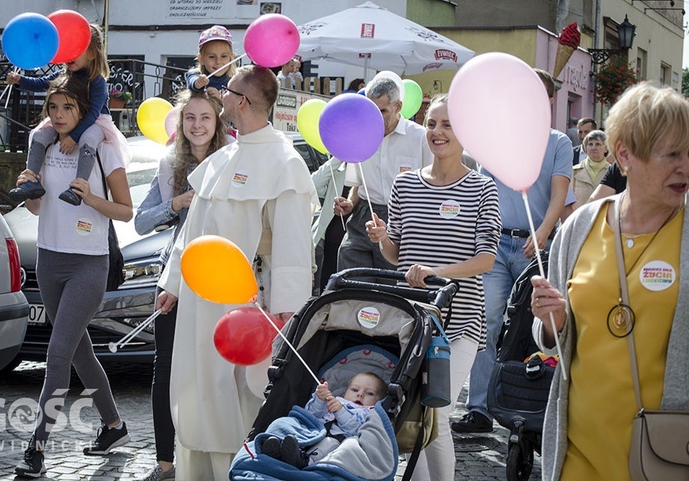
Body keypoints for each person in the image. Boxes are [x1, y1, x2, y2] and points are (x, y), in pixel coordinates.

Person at [155, 65, 317, 481]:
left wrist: (286, 311)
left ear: (241, 102)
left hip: (248, 305)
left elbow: (293, 247)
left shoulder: (285, 162)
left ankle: (241, 472)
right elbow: (193, 230)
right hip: (198, 302)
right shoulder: (223, 157)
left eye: (226, 91)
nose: (219, 94)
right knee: (196, 387)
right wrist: (173, 283)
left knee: (240, 393)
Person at [530, 81, 689, 480]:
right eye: (672, 154)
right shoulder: (581, 225)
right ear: (625, 154)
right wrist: (551, 323)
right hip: (578, 452)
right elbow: (552, 336)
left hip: (666, 456)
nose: (684, 166)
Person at [366, 94, 501, 480]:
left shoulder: (482, 189)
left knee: (435, 410)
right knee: (413, 412)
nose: (437, 133)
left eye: (447, 125)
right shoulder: (405, 184)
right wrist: (381, 239)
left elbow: (486, 260)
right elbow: (398, 255)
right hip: (410, 319)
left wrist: (435, 271)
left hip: (458, 324)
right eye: (431, 124)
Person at [13, 76, 133, 478]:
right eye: (53, 107)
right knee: (80, 351)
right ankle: (114, 426)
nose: (59, 115)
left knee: (58, 354)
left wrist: (89, 196)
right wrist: (30, 190)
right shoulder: (43, 147)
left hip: (88, 264)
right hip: (49, 261)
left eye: (68, 108)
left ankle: (37, 447)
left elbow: (126, 212)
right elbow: (36, 211)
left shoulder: (103, 149)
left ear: (83, 111)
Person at [453, 69, 571, 435]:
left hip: (533, 247)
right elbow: (480, 189)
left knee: (532, 329)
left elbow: (559, 192)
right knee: (485, 323)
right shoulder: (497, 137)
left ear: (548, 100)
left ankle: (531, 403)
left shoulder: (558, 142)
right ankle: (479, 409)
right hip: (495, 245)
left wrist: (544, 232)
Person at [134, 90, 231, 481]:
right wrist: (177, 203)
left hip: (219, 277)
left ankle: (211, 459)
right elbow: (141, 222)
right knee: (166, 368)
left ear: (217, 122)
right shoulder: (169, 165)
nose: (197, 126)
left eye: (205, 118)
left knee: (213, 370)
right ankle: (164, 464)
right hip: (174, 277)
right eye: (190, 118)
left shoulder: (231, 162)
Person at [7, 24, 114, 206]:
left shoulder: (96, 81)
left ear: (92, 53)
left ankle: (77, 189)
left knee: (89, 137)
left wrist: (73, 137)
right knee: (40, 135)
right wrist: (20, 80)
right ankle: (31, 180)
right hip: (67, 119)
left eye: (77, 49)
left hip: (94, 122)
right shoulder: (65, 74)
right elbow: (42, 83)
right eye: (68, 48)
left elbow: (94, 112)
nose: (71, 54)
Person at [334, 76, 432, 272]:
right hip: (362, 220)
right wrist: (349, 204)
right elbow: (357, 186)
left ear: (398, 106)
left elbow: (433, 187)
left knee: (391, 293)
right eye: (372, 110)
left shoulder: (420, 138)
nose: (377, 117)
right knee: (352, 287)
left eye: (383, 111)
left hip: (403, 223)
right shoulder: (360, 136)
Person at [259, 373, 387, 468]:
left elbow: (358, 431)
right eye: (355, 390)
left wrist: (341, 411)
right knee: (285, 422)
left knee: (329, 443)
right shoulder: (335, 399)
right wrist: (319, 400)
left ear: (379, 401)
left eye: (370, 393)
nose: (360, 394)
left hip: (337, 440)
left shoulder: (369, 413)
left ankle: (305, 461)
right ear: (344, 393)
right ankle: (277, 447)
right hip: (312, 431)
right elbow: (311, 415)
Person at [311, 155, 348, 294]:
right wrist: (339, 156)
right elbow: (313, 183)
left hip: (357, 239)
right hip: (332, 237)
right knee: (326, 290)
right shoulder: (339, 167)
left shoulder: (372, 168)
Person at [185, 25, 236, 100]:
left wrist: (220, 100)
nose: (218, 62)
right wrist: (198, 83)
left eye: (224, 56)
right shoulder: (196, 74)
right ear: (201, 59)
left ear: (231, 57)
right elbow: (192, 81)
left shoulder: (234, 81)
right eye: (212, 57)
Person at [571, 130, 609, 209]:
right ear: (585, 148)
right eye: (590, 144)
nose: (593, 147)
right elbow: (567, 201)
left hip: (603, 219)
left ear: (606, 148)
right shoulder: (574, 171)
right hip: (578, 219)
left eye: (598, 144)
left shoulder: (612, 171)